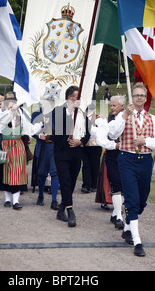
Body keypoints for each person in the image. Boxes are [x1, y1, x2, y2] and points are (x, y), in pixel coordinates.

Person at [108, 82, 155, 256]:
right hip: (127, 159)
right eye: (136, 95)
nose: (139, 98)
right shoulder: (124, 116)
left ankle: (127, 228)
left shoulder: (152, 118)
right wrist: (125, 114)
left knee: (142, 200)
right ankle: (137, 241)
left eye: (142, 95)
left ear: (145, 98)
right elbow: (112, 134)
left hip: (145, 161)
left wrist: (146, 142)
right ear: (131, 98)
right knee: (132, 198)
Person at [50, 85, 90, 227]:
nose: (78, 100)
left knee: (72, 181)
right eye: (76, 97)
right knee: (65, 181)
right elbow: (59, 126)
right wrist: (71, 109)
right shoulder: (59, 110)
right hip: (62, 150)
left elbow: (88, 133)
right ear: (70, 97)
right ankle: (70, 210)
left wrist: (81, 141)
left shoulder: (82, 114)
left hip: (76, 150)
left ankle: (61, 209)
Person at [0, 95, 42, 210]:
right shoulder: (1, 113)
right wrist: (10, 111)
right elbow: (0, 127)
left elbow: (29, 129)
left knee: (17, 172)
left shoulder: (21, 114)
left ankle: (16, 201)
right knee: (5, 172)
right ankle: (7, 199)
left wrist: (40, 124)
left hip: (17, 145)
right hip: (5, 145)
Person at [93, 95, 126, 229]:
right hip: (113, 154)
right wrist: (115, 145)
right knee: (116, 184)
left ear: (122, 106)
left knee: (124, 185)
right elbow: (102, 139)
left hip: (127, 155)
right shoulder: (108, 121)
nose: (111, 108)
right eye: (111, 105)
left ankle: (115, 212)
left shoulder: (130, 119)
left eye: (114, 105)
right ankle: (119, 217)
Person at [31, 106, 60, 210]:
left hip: (54, 146)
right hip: (42, 146)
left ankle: (54, 200)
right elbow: (31, 130)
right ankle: (40, 196)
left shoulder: (58, 113)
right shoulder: (36, 114)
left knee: (54, 172)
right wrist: (39, 135)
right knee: (42, 173)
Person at [81, 104, 102, 194]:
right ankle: (86, 184)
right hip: (85, 144)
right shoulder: (82, 118)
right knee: (86, 164)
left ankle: (94, 184)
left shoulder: (98, 118)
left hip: (95, 145)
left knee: (95, 164)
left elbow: (97, 131)